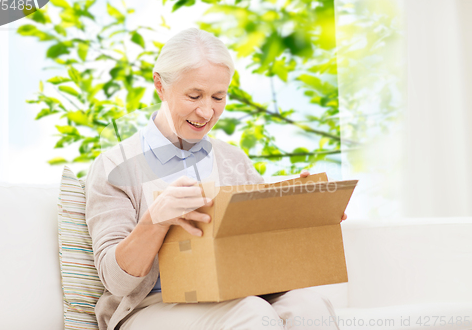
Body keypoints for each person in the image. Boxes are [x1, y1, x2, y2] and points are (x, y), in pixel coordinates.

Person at [85, 27, 347, 330]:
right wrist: (155, 220)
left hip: (234, 295)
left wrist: (306, 215)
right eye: (193, 95)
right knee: (249, 312)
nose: (207, 110)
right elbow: (116, 282)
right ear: (160, 84)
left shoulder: (234, 161)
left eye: (218, 97)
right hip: (150, 307)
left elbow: (263, 253)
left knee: (309, 306)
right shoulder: (114, 166)